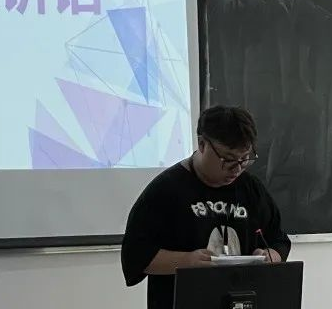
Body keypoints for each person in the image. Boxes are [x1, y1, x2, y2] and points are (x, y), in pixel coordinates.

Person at [121, 105, 291, 309]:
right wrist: (186, 261)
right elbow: (136, 256)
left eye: (245, 159)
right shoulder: (165, 191)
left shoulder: (251, 189)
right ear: (202, 144)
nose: (237, 169)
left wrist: (270, 256)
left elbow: (279, 240)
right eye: (228, 159)